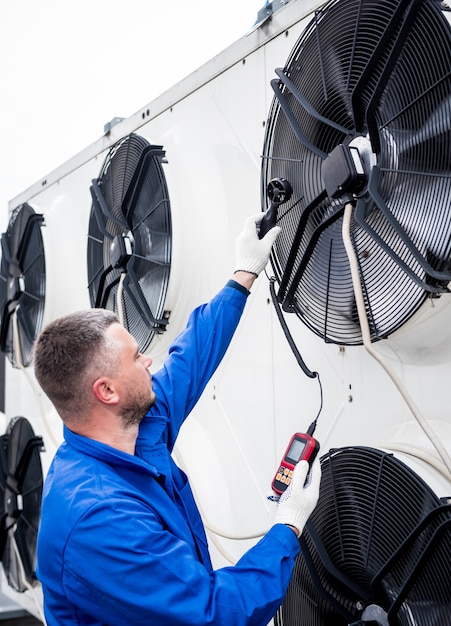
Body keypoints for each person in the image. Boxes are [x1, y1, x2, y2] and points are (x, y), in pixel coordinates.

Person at [34, 213, 322, 626]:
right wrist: (288, 525)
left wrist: (243, 275)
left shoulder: (134, 425)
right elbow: (214, 615)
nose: (149, 360)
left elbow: (191, 356)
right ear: (107, 392)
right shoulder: (98, 520)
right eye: (136, 357)